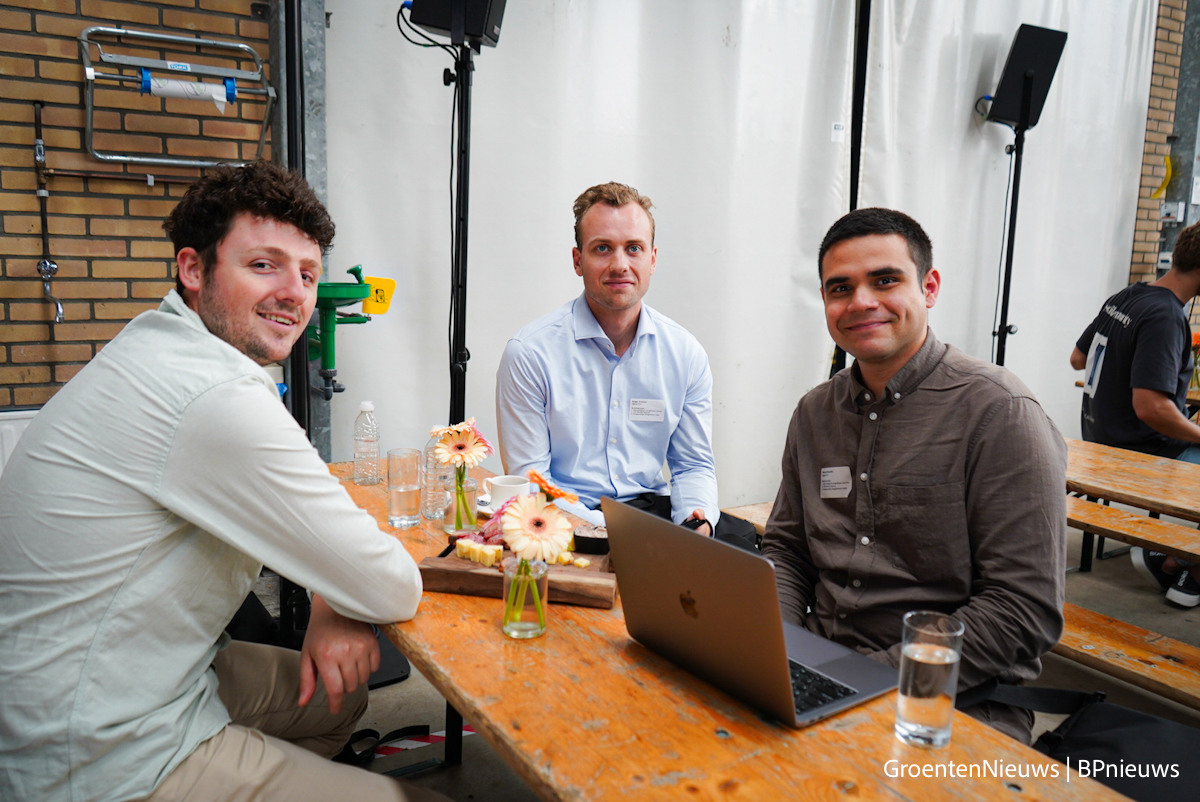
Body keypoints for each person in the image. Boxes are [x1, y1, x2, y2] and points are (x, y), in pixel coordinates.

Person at [0, 162, 448, 802]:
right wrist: (346, 589)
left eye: (308, 274)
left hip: (126, 670)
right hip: (95, 748)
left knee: (340, 697)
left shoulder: (158, 343)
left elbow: (335, 552)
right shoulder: (213, 395)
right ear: (193, 268)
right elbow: (390, 584)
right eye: (264, 265)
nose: (294, 293)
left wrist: (334, 597)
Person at [760, 208, 1066, 744]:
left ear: (929, 288)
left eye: (885, 280)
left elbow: (1022, 611)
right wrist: (773, 648)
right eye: (840, 288)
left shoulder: (1000, 413)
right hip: (818, 667)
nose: (861, 302)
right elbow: (788, 550)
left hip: (949, 700)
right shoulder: (814, 413)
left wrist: (863, 678)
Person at [495, 181, 719, 534]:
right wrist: (611, 530)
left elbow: (693, 466)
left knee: (748, 557)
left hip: (653, 516)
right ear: (577, 261)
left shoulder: (685, 354)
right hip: (563, 518)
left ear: (652, 259)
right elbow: (532, 480)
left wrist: (697, 523)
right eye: (602, 248)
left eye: (633, 248)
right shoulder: (530, 353)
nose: (620, 265)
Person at [1070, 220, 1200, 607]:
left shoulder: (1127, 296)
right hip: (1141, 451)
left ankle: (1171, 559)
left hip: (1099, 439)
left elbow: (1077, 358)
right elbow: (1151, 409)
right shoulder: (1166, 317)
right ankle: (1184, 567)